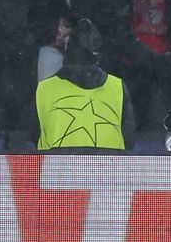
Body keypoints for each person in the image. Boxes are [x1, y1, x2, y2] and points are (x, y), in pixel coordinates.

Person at [33, 20, 134, 151]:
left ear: (66, 53)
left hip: (58, 168)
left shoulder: (45, 89)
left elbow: (33, 134)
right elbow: (129, 139)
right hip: (108, 169)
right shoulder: (117, 87)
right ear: (98, 56)